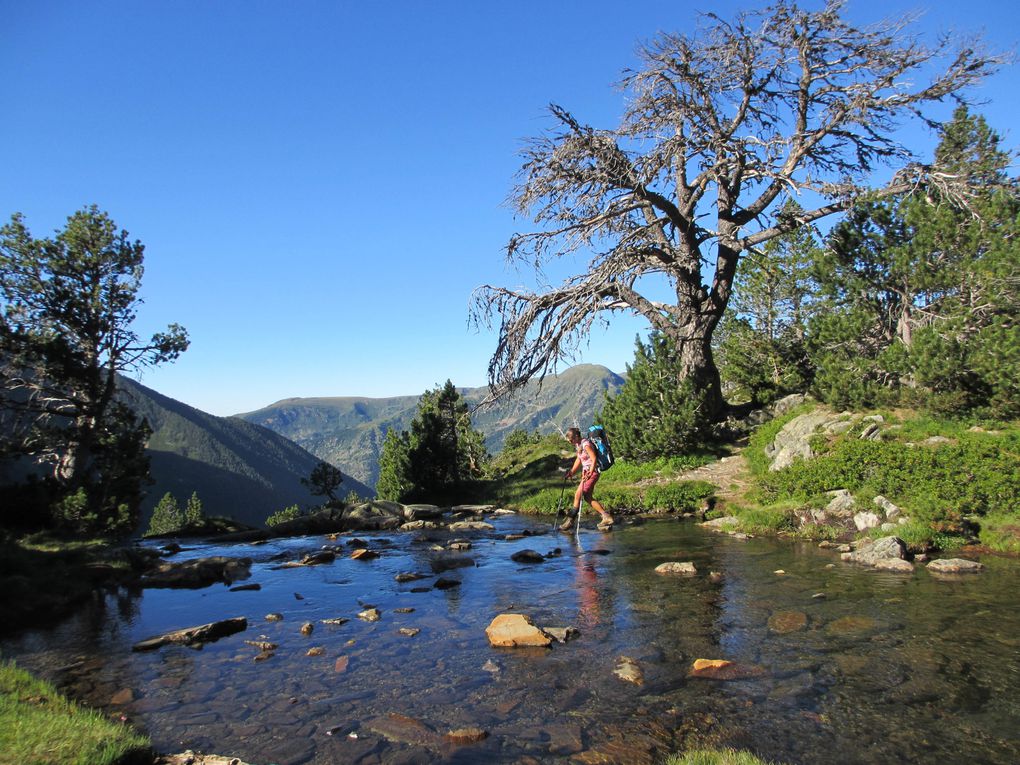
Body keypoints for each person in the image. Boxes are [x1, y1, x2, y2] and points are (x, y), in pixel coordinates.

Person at [560, 427, 614, 531]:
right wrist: (571, 472)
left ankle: (570, 521)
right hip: (587, 473)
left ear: (576, 436)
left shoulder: (586, 445)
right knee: (587, 497)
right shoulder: (578, 445)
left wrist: (589, 473)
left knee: (578, 495)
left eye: (571, 440)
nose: (570, 442)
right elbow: (579, 459)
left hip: (592, 473)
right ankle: (606, 516)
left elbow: (593, 459)